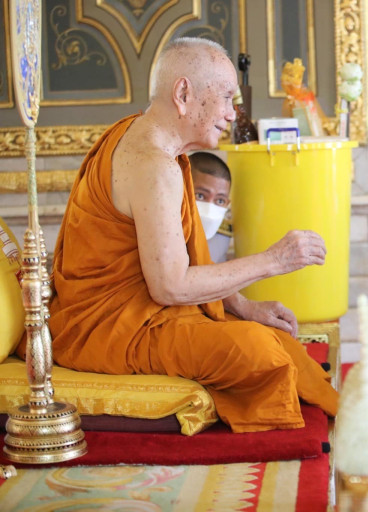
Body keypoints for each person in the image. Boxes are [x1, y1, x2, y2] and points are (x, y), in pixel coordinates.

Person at [34, 37, 338, 433]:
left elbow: (184, 258)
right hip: (106, 328)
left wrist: (243, 306)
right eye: (226, 98)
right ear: (183, 94)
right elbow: (171, 286)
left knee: (267, 336)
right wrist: (273, 261)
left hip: (138, 313)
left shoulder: (146, 140)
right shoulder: (153, 166)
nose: (232, 113)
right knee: (261, 352)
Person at [189, 151, 233, 263]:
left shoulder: (222, 238)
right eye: (200, 195)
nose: (209, 211)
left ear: (227, 203)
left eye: (220, 200)